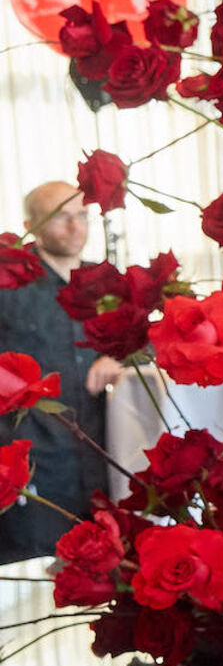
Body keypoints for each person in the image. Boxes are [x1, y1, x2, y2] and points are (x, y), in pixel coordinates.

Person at [0, 181, 122, 564]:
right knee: (33, 569)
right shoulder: (7, 284)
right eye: (61, 217)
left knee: (100, 570)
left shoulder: (105, 279)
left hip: (101, 449)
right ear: (30, 224)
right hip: (31, 453)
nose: (76, 227)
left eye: (82, 215)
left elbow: (149, 336)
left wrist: (122, 357)